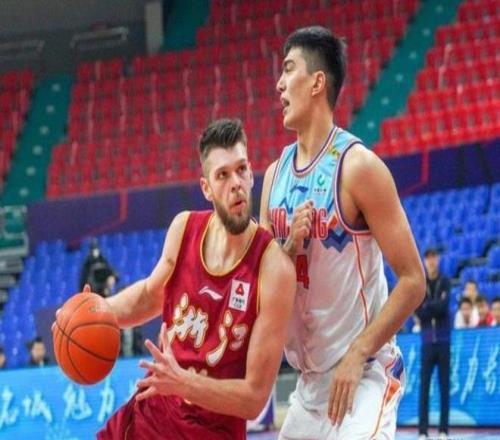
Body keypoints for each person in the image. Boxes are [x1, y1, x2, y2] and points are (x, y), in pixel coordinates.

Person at [259, 26, 425, 439]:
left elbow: (413, 281)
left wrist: (359, 352)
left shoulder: (358, 166)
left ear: (317, 82)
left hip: (363, 374)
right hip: (309, 385)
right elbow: (260, 279)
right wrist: (286, 247)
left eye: (288, 69)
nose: (279, 84)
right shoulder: (273, 176)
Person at [92, 119, 296, 439]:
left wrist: (183, 383)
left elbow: (255, 397)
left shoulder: (274, 269)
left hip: (211, 431)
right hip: (153, 415)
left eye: (241, 169)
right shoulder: (183, 228)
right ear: (206, 188)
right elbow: (148, 296)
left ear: (251, 174)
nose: (236, 184)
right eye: (222, 175)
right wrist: (95, 310)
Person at [414, 247, 451, 440]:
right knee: (424, 388)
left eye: (434, 257)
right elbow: (418, 311)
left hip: (443, 342)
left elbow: (444, 307)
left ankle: (443, 430)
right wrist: (431, 307)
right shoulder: (422, 284)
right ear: (424, 261)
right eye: (428, 258)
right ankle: (423, 431)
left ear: (438, 259)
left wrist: (427, 306)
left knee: (444, 387)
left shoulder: (445, 281)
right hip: (427, 342)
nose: (431, 261)